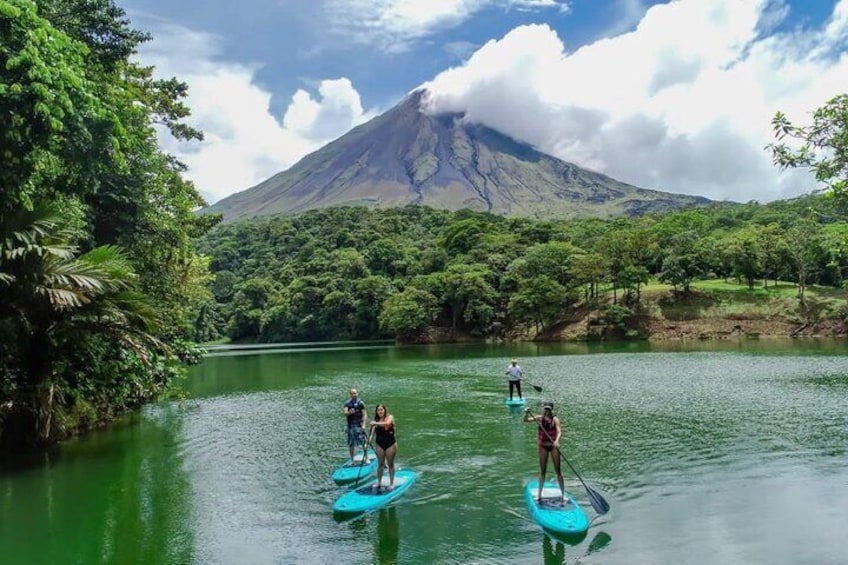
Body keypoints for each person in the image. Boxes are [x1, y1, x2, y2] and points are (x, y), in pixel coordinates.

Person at [524, 401, 565, 503]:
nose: (546, 411)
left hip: (553, 446)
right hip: (543, 446)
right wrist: (526, 413)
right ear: (543, 409)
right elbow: (525, 420)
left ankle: (563, 495)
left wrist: (557, 440)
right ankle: (539, 495)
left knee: (558, 471)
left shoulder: (555, 420)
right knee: (543, 471)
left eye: (548, 409)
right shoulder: (539, 418)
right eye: (545, 409)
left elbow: (559, 431)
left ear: (551, 410)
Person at [369, 403, 397, 492]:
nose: (380, 411)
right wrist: (367, 443)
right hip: (379, 444)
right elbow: (372, 434)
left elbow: (387, 423)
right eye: (378, 410)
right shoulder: (376, 421)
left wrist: (375, 423)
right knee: (380, 464)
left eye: (381, 409)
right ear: (376, 412)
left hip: (390, 444)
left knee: (390, 464)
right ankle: (379, 482)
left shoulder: (390, 417)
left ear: (384, 410)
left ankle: (391, 483)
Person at [343, 388, 367, 460]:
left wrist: (364, 424)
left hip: (359, 425)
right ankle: (352, 459)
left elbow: (365, 415)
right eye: (352, 393)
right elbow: (345, 412)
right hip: (350, 426)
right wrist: (349, 412)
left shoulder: (361, 403)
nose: (354, 395)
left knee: (363, 441)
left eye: (355, 393)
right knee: (351, 443)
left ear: (357, 393)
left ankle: (366, 458)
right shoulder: (347, 403)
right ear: (350, 394)